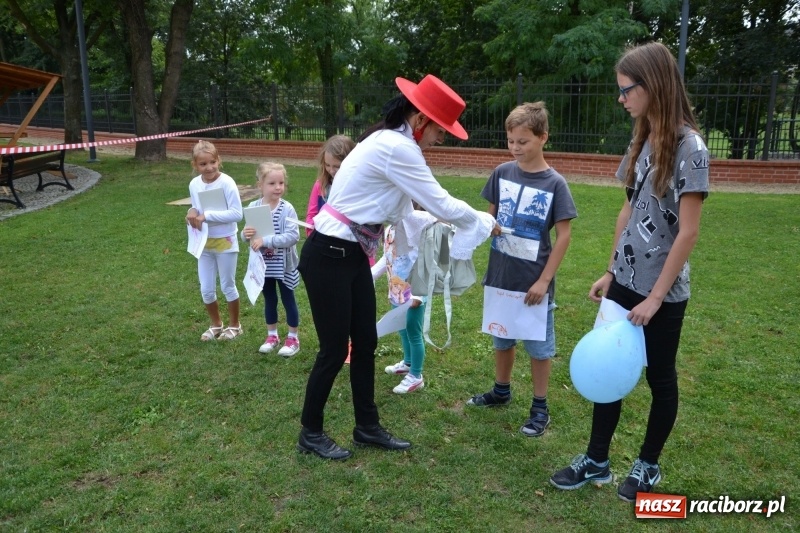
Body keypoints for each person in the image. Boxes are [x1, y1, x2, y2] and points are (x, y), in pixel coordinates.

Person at [296, 74, 501, 460]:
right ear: (421, 120)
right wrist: (483, 220)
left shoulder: (389, 142)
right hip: (329, 255)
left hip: (351, 253)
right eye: (441, 131)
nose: (441, 139)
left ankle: (366, 426)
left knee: (365, 343)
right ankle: (311, 432)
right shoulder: (396, 147)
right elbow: (440, 202)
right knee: (334, 349)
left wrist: (454, 223)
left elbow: (406, 211)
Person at [549, 42, 709, 502]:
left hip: (664, 292)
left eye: (626, 90)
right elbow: (629, 209)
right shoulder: (642, 138)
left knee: (660, 378)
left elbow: (688, 233)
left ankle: (647, 465)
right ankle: (596, 460)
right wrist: (610, 271)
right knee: (609, 366)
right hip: (624, 280)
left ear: (652, 85)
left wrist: (655, 298)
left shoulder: (691, 147)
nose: (621, 99)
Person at [466, 102, 577, 440]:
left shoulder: (555, 183)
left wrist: (544, 280)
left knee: (538, 348)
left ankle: (540, 407)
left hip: (534, 283)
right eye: (511, 140)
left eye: (523, 141)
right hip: (501, 277)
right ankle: (501, 390)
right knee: (502, 338)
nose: (515, 147)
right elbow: (490, 216)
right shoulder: (502, 172)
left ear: (543, 138)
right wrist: (487, 226)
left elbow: (564, 235)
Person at [373, 208, 439, 394]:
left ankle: (416, 375)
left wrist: (419, 294)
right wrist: (371, 274)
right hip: (396, 290)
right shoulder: (390, 229)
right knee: (402, 329)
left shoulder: (420, 228)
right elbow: (387, 256)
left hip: (414, 293)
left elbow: (427, 261)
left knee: (413, 333)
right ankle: (408, 363)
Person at [185, 140, 244, 341]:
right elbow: (196, 206)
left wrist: (207, 216)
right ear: (195, 165)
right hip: (204, 243)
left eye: (212, 162)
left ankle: (235, 326)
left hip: (225, 241)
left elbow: (237, 213)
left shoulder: (227, 182)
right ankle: (216, 324)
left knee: (228, 285)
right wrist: (192, 211)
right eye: (203, 164)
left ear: (219, 160)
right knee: (206, 289)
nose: (209, 167)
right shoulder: (194, 184)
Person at [242, 162, 302, 357]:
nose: (278, 187)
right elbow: (247, 235)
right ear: (260, 185)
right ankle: (272, 336)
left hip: (284, 266)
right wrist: (245, 234)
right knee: (270, 299)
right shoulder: (253, 207)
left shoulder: (287, 209)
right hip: (263, 266)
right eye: (272, 183)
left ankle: (293, 338)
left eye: (281, 183)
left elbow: (293, 236)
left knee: (288, 299)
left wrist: (266, 240)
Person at [305, 135, 356, 237]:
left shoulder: (356, 188)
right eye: (327, 165)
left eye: (337, 166)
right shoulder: (320, 185)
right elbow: (311, 215)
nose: (331, 171)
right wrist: (312, 232)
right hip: (321, 239)